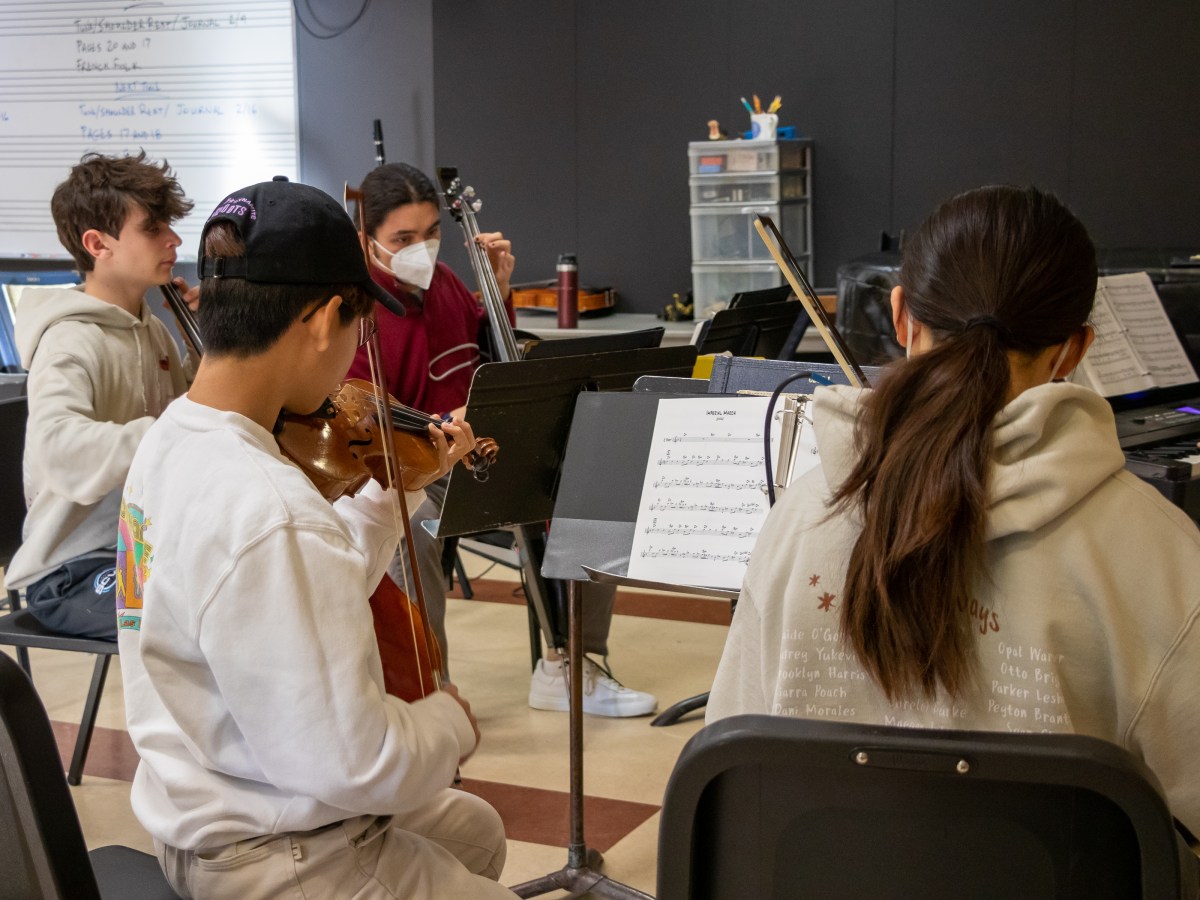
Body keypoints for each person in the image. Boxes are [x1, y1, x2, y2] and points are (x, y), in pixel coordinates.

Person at [706, 185, 1200, 843]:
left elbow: (725, 771)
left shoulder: (801, 517)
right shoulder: (1160, 553)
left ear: (903, 317)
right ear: (1075, 349)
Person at [116, 178, 517, 898]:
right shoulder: (268, 506)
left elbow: (293, 593)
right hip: (286, 861)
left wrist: (393, 496)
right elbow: (359, 764)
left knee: (475, 829)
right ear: (328, 316)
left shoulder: (169, 442)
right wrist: (448, 722)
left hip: (200, 808)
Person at [346, 162, 656, 716]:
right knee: (409, 530)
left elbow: (491, 357)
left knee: (596, 496)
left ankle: (571, 666)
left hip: (480, 452)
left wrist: (499, 290)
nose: (422, 248)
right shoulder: (358, 310)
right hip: (419, 464)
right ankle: (425, 687)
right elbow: (364, 416)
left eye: (431, 233)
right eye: (403, 239)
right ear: (368, 239)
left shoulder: (441, 284)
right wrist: (443, 425)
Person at [5, 151, 194, 639]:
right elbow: (57, 449)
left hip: (143, 548)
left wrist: (210, 344)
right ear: (97, 243)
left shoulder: (154, 332)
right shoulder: (69, 340)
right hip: (71, 571)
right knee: (189, 616)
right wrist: (170, 434)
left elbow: (202, 419)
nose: (173, 239)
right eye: (153, 228)